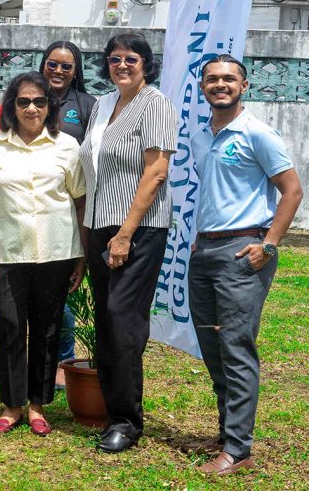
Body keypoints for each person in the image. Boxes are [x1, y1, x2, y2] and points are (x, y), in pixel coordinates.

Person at [188, 55, 303, 476]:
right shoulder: (202, 136)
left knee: (236, 349)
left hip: (243, 251)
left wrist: (268, 245)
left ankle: (239, 450)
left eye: (228, 79)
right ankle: (227, 432)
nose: (220, 85)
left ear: (244, 85)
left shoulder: (257, 133)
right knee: (213, 349)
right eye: (212, 79)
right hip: (205, 252)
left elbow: (291, 191)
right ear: (203, 87)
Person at [0, 71, 86, 437]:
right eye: (23, 101)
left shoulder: (66, 147)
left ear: (49, 107)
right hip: (5, 254)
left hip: (56, 253)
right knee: (9, 328)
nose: (31, 108)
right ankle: (11, 405)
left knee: (48, 331)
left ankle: (37, 406)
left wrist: (80, 256)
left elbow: (80, 202)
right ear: (11, 106)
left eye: (39, 101)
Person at [78, 32, 178, 453]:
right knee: (105, 317)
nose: (122, 64)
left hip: (137, 229)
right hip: (101, 224)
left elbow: (155, 173)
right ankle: (108, 408)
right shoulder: (102, 105)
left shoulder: (156, 104)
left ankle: (126, 421)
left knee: (123, 319)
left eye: (131, 59)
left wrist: (124, 234)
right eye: (115, 58)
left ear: (145, 64)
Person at [38, 40, 96, 387]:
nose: (58, 71)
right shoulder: (28, 95)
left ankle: (62, 359)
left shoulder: (88, 105)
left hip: (69, 207)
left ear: (76, 72)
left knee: (62, 290)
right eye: (52, 64)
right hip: (29, 207)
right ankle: (35, 356)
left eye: (66, 66)